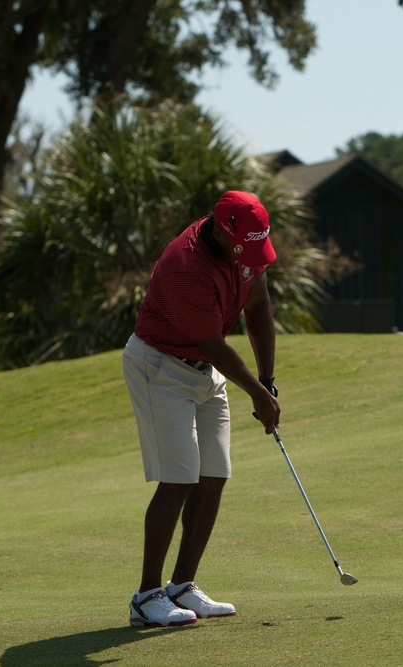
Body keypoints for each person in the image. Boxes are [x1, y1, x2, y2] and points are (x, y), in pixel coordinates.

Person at [122, 190, 282, 627]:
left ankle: (182, 587)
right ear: (222, 231)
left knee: (213, 477)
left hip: (206, 370)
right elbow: (212, 345)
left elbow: (259, 308)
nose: (253, 257)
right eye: (246, 247)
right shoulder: (186, 268)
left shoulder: (243, 247)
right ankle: (146, 596)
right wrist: (256, 394)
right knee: (178, 479)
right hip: (160, 366)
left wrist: (267, 382)